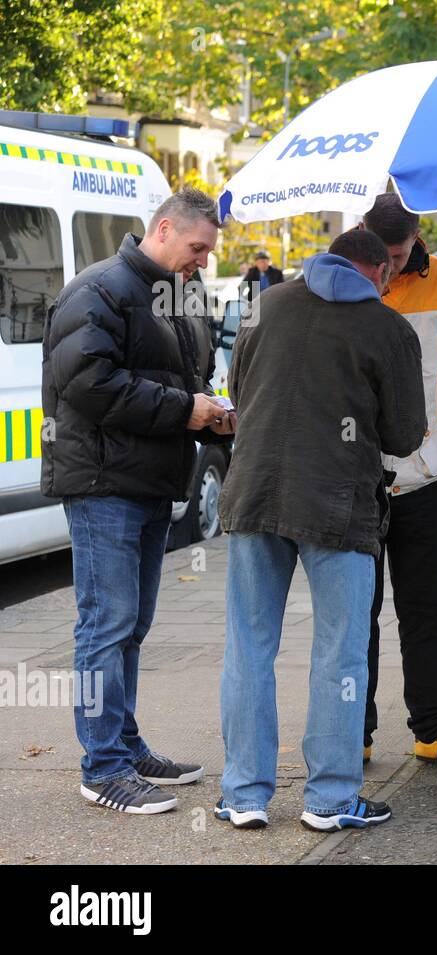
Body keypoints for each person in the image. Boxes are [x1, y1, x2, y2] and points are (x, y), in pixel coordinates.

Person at [216, 229, 426, 831]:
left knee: (249, 645)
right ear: (379, 269)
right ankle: (330, 800)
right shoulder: (387, 328)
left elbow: (238, 390)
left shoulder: (268, 304)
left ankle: (243, 797)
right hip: (339, 505)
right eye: (389, 272)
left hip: (254, 492)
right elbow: (404, 437)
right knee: (340, 652)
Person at [41, 187, 231, 815]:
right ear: (165, 228)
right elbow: (91, 383)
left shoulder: (178, 293)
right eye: (198, 248)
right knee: (106, 626)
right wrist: (186, 410)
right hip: (103, 487)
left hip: (149, 482)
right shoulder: (97, 290)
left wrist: (209, 415)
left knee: (130, 626)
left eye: (208, 252)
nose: (203, 261)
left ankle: (123, 745)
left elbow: (188, 379)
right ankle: (101, 769)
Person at [360, 194, 437, 766]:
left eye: (398, 252)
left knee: (424, 605)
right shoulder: (340, 277)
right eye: (380, 254)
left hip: (423, 472)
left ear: (416, 238)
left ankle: (432, 724)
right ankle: (352, 729)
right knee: (355, 610)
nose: (387, 266)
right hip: (355, 478)